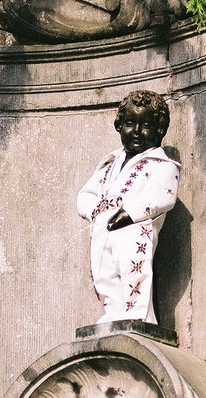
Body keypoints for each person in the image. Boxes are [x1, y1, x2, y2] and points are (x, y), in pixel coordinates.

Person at [77, 90, 180, 324]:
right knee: (103, 272)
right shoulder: (109, 163)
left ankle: (137, 314)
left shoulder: (162, 163)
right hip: (104, 226)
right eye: (130, 123)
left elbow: (164, 195)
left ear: (160, 130)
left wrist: (130, 213)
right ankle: (113, 313)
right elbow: (86, 194)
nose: (136, 131)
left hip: (135, 228)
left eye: (146, 125)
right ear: (119, 126)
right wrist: (95, 211)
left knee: (134, 268)